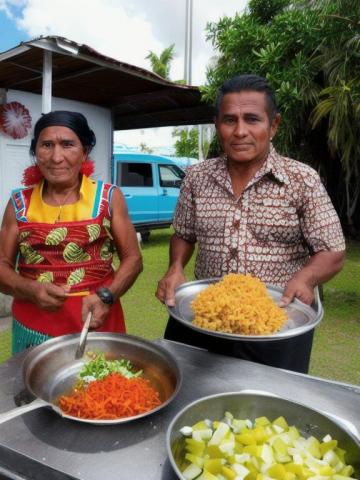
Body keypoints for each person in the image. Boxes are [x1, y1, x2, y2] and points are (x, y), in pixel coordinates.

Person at [156, 74, 346, 374]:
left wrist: (307, 277)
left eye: (252, 119)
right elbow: (183, 233)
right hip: (207, 316)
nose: (240, 131)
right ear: (217, 124)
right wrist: (176, 267)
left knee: (269, 408)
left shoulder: (301, 180)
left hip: (276, 320)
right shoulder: (197, 177)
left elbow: (332, 251)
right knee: (188, 391)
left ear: (274, 125)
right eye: (230, 120)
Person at [0, 110, 142, 354]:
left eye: (68, 145)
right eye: (47, 145)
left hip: (97, 318)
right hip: (34, 324)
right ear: (35, 152)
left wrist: (107, 296)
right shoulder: (19, 203)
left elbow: (133, 259)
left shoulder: (108, 198)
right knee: (36, 390)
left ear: (84, 151)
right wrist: (30, 290)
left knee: (105, 389)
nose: (57, 157)